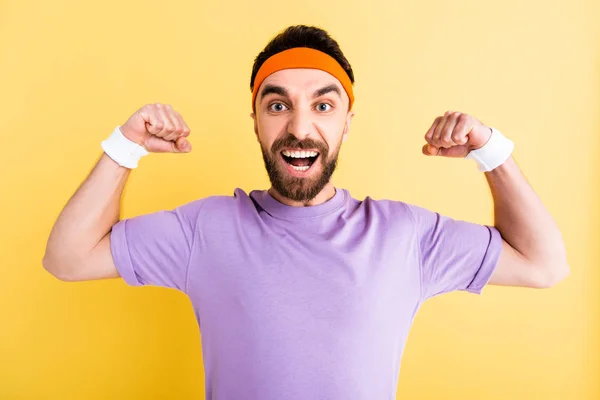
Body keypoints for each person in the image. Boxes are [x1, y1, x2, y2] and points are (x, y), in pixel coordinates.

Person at [43, 25, 569, 399]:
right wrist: (124, 147)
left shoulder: (405, 235)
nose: (299, 127)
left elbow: (543, 265)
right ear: (255, 121)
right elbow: (67, 258)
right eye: (277, 105)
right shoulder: (204, 230)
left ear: (346, 123)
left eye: (323, 105)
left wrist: (491, 152)